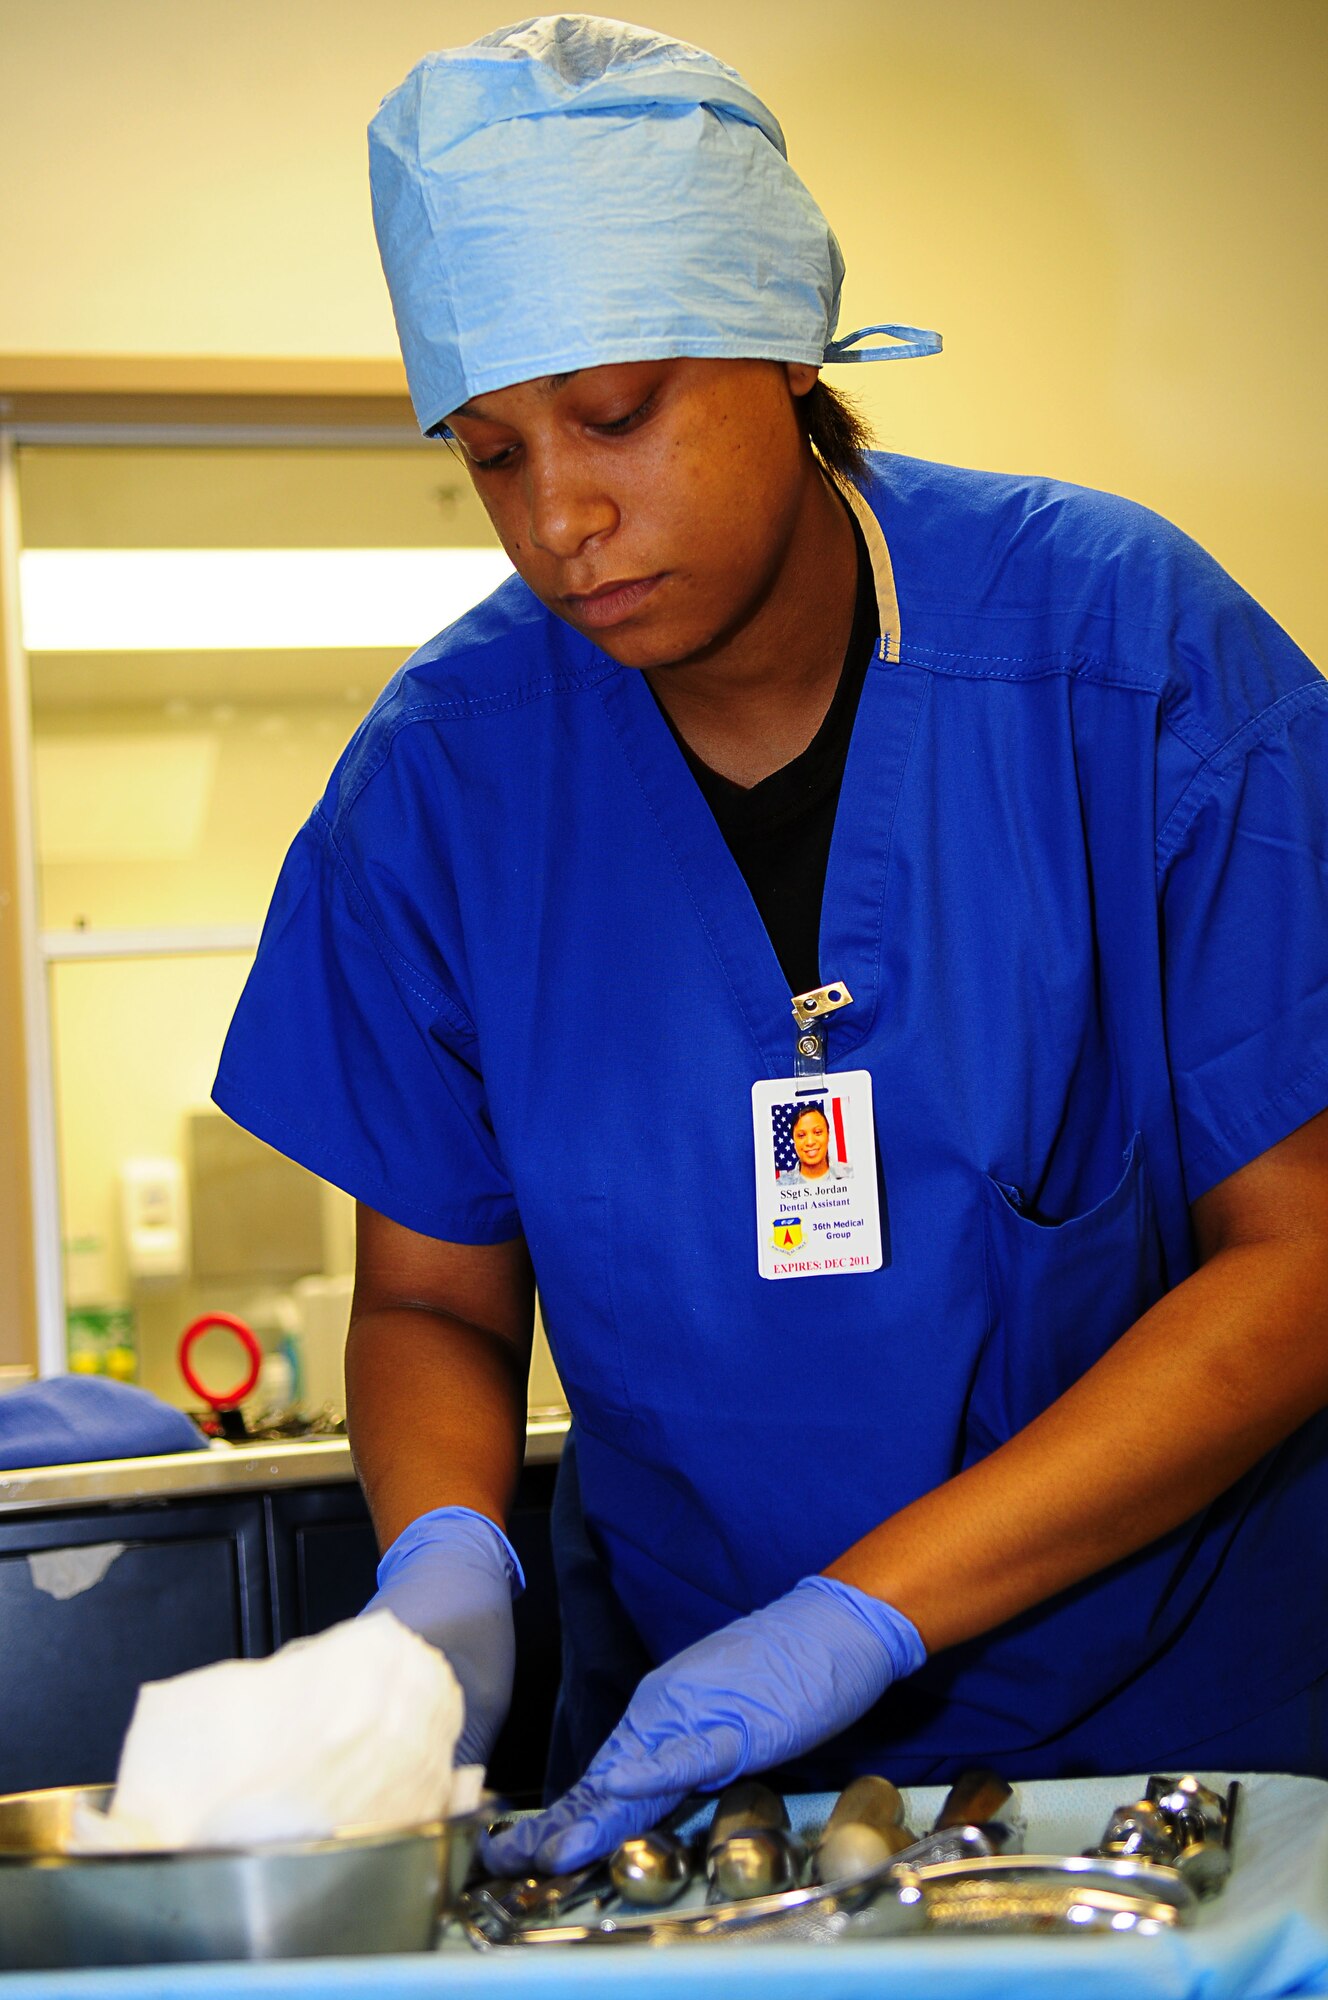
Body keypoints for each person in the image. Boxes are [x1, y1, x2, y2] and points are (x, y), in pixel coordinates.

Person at [213, 14, 1328, 1877]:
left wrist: (861, 1614)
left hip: (1173, 1739)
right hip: (694, 1782)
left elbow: (1297, 1261)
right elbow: (428, 1298)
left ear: (781, 348)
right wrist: (441, 1571)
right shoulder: (444, 788)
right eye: (487, 455)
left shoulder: (1125, 666)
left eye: (617, 413)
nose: (558, 520)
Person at [780, 1104, 851, 1185]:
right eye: (801, 1135)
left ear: (828, 1135)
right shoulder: (781, 1185)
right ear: (794, 1141)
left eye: (817, 1132)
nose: (810, 1142)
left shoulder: (851, 1175)